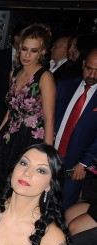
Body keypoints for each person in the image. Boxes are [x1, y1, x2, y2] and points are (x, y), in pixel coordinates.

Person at [0, 24, 56, 168]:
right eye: (24, 49)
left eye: (34, 50)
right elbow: (11, 110)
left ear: (42, 52)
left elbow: (49, 118)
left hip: (31, 138)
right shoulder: (14, 74)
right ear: (19, 48)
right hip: (10, 135)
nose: (27, 55)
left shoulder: (45, 76)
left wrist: (47, 155)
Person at [55, 48, 97, 209]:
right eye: (89, 69)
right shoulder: (65, 84)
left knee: (63, 209)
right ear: (83, 64)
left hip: (75, 166)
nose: (92, 75)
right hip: (50, 154)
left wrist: (85, 163)